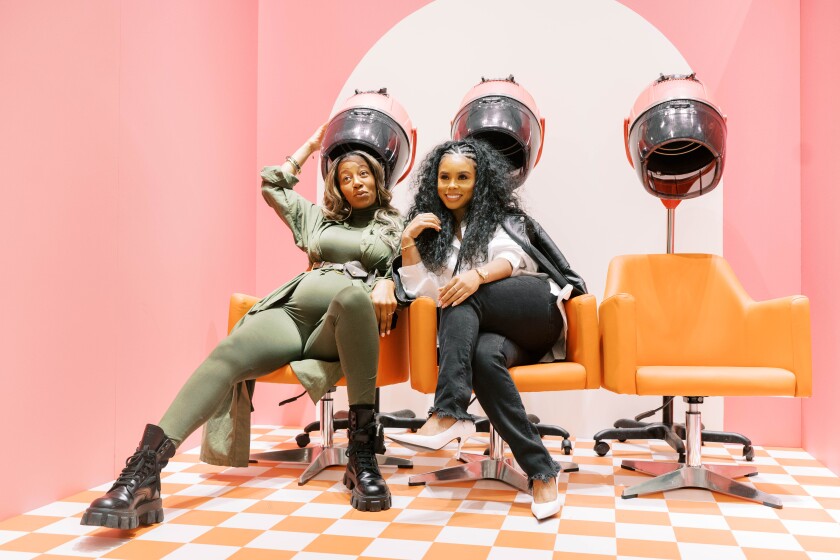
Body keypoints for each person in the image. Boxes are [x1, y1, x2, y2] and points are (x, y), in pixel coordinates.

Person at [82, 124, 404, 529]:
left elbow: (400, 266)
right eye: (345, 176)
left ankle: (361, 456)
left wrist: (388, 280)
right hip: (290, 314)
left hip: (338, 326)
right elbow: (272, 182)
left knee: (354, 296)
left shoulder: (393, 224)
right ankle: (144, 474)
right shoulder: (317, 220)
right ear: (335, 185)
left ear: (378, 177)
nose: (356, 183)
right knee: (228, 353)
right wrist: (311, 146)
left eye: (363, 174)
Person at [388, 138, 585, 520]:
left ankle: (449, 412)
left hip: (535, 310)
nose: (452, 185)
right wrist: (409, 242)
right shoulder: (434, 232)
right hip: (497, 335)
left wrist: (477, 276)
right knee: (481, 355)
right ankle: (542, 472)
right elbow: (425, 292)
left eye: (463, 177)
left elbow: (513, 259)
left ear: (480, 182)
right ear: (434, 181)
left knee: (463, 293)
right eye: (445, 177)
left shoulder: (502, 218)